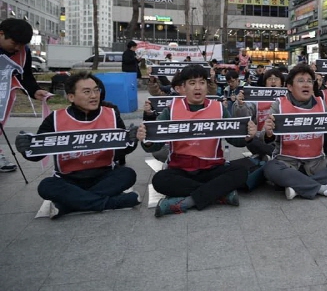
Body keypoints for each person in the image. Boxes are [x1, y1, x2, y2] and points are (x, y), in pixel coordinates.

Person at [15, 71, 139, 219]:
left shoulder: (111, 114)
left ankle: (68, 206)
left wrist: (131, 140)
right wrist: (25, 147)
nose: (94, 96)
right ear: (71, 97)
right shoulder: (55, 119)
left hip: (104, 175)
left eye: (96, 90)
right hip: (68, 180)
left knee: (127, 174)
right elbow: (37, 154)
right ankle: (113, 202)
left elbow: (120, 152)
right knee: (46, 186)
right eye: (87, 92)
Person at [137, 65, 256, 217]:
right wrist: (147, 140)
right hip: (181, 170)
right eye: (192, 83)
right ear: (183, 87)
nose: (197, 87)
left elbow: (235, 140)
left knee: (241, 172)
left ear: (207, 86)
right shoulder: (171, 110)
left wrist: (248, 136)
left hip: (212, 168)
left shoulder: (219, 108)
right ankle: (219, 194)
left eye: (202, 82)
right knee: (160, 180)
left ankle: (185, 202)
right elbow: (155, 144)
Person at [260, 64, 327, 200]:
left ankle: (297, 185)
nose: (306, 85)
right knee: (270, 168)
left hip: (316, 164)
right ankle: (323, 188)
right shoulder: (279, 104)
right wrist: (268, 132)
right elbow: (262, 136)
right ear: (289, 87)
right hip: (287, 163)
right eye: (301, 81)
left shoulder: (321, 104)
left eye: (309, 81)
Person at [0, 18, 51, 172]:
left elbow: (26, 76)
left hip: (5, 92)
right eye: (15, 43)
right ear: (1, 34)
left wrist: (35, 91)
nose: (17, 48)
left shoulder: (24, 51)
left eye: (22, 45)